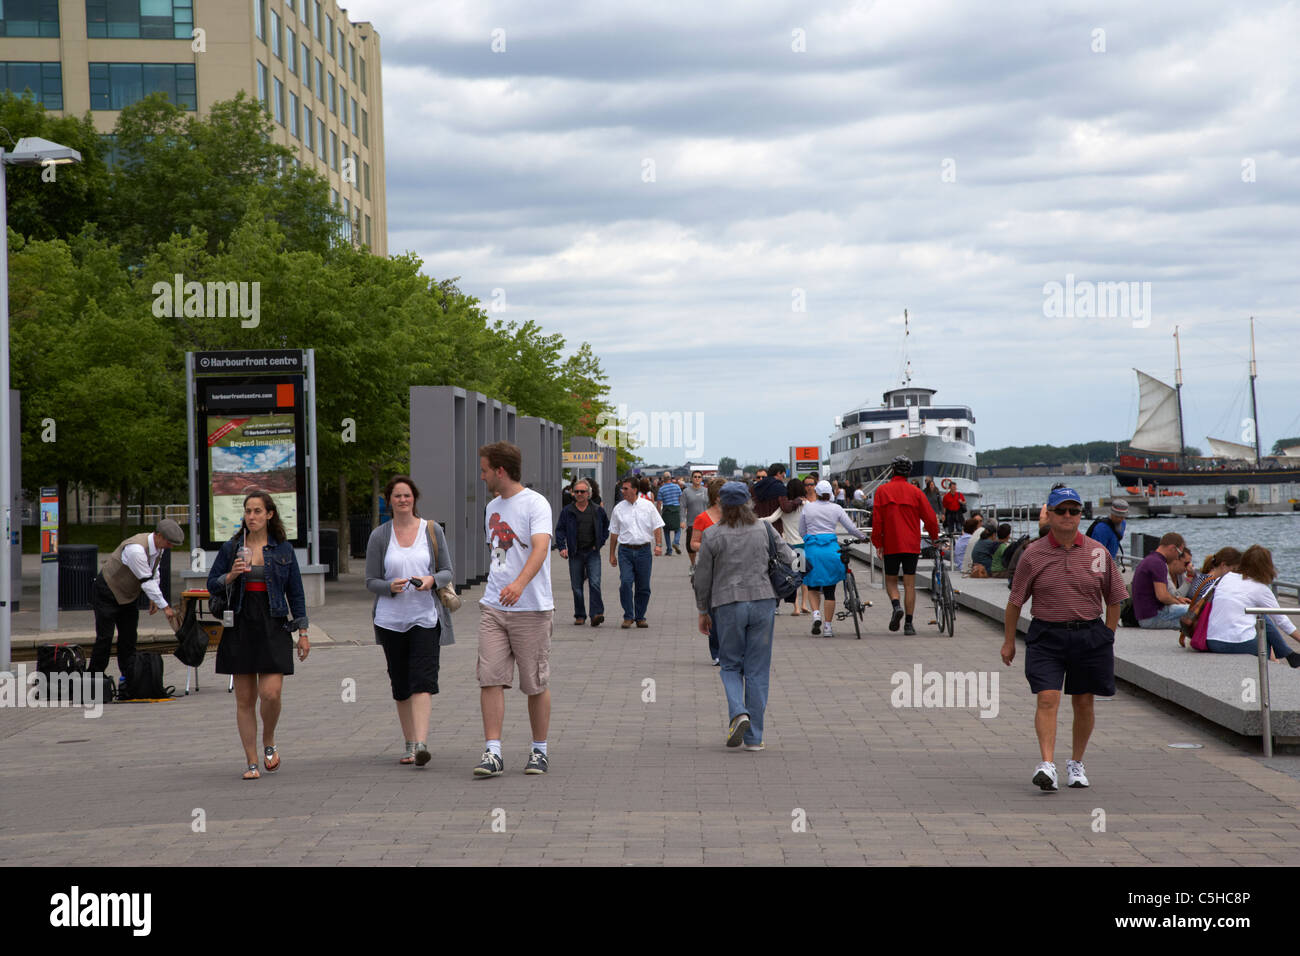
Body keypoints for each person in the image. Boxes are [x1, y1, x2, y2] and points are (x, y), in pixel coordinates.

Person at [1000, 486, 1127, 791]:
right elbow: (1016, 601)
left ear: (1081, 515)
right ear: (1050, 515)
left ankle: (1076, 763)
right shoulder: (1033, 554)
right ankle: (1047, 764)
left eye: (1074, 511)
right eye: (1061, 511)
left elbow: (1115, 597)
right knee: (1047, 698)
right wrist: (1008, 642)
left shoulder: (1098, 552)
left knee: (1083, 702)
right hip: (1047, 635)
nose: (1068, 516)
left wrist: (1107, 635)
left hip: (1089, 636)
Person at [207, 492, 309, 780]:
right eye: (248, 511)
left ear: (269, 515)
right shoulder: (231, 549)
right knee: (245, 699)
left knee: (271, 693)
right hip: (240, 624)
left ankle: (269, 739)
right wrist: (231, 575)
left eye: (257, 511)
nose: (251, 516)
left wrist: (303, 632)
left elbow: (296, 594)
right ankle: (252, 762)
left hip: (273, 623)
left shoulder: (283, 550)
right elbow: (211, 584)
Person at [694, 482, 797, 751]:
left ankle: (739, 712)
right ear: (748, 504)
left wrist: (703, 611)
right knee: (757, 669)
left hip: (727, 605)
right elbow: (790, 557)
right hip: (763, 602)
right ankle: (755, 738)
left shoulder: (712, 534)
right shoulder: (764, 529)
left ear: (722, 506)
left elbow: (702, 578)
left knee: (729, 665)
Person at [474, 441, 554, 777]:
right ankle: (493, 752)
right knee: (489, 678)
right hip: (493, 606)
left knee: (534, 683)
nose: (482, 476)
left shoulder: (536, 504)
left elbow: (540, 547)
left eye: (484, 470)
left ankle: (539, 750)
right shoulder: (492, 505)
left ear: (500, 470)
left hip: (531, 608)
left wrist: (519, 584)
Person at [365, 475, 456, 768]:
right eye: (397, 496)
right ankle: (408, 743)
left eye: (407, 496)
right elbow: (370, 580)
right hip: (391, 619)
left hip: (425, 617)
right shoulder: (380, 536)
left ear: (414, 499)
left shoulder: (431, 531)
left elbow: (447, 571)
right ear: (389, 501)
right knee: (401, 682)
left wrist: (430, 580)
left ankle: (421, 744)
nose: (403, 501)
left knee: (423, 680)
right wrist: (388, 586)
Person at [88, 519, 186, 684]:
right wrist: (165, 607)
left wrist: (154, 598)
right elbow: (146, 580)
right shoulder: (136, 549)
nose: (171, 547)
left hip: (128, 596)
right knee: (105, 637)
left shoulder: (158, 548)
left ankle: (129, 677)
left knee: (129, 637)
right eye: (169, 543)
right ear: (159, 536)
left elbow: (154, 572)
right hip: (107, 591)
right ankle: (93, 678)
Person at [870, 456, 941, 635]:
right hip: (911, 544)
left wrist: (878, 542)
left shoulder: (882, 491)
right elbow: (931, 519)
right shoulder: (916, 492)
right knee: (910, 584)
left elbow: (877, 520)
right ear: (909, 472)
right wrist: (934, 538)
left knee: (891, 581)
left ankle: (896, 606)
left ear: (893, 470)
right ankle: (909, 624)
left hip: (891, 543)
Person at [1205, 545, 1300, 665]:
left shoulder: (1227, 577)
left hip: (1213, 642)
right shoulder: (1260, 588)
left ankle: (1289, 655)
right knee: (1264, 640)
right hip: (1239, 644)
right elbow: (1282, 621)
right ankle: (1279, 663)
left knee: (1261, 616)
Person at [799, 479, 866, 637]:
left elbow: (802, 530)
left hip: (812, 550)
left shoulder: (807, 508)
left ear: (816, 492)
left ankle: (816, 614)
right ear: (830, 494)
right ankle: (828, 627)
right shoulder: (836, 508)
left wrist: (810, 539)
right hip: (831, 550)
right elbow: (851, 527)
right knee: (830, 590)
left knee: (812, 586)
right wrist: (862, 537)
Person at [608, 477, 665, 628]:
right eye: (622, 489)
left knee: (643, 586)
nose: (623, 491)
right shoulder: (618, 508)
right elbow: (614, 532)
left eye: (625, 488)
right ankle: (628, 615)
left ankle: (640, 616)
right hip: (625, 551)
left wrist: (658, 545)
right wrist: (611, 554)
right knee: (626, 582)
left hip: (644, 551)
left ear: (634, 489)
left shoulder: (648, 506)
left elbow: (657, 526)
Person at [555, 478, 609, 626]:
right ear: (573, 493)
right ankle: (580, 614)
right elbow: (559, 530)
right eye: (576, 491)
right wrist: (562, 547)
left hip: (592, 552)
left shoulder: (597, 510)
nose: (579, 494)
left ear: (588, 493)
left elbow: (606, 527)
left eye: (582, 491)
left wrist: (600, 542)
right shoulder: (567, 511)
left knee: (595, 583)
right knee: (576, 586)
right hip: (575, 553)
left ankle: (596, 614)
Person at [690, 477, 727, 663]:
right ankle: (717, 652)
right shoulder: (702, 518)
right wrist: (708, 546)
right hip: (709, 570)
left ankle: (731, 649)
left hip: (730, 568)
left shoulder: (733, 516)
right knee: (713, 612)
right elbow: (693, 543)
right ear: (716, 497)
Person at [761, 477, 808, 615]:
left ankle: (796, 607)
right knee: (804, 576)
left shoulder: (784, 507)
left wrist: (753, 520)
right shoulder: (807, 505)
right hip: (803, 544)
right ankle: (805, 603)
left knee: (793, 576)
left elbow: (770, 519)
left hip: (789, 546)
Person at [1179, 547, 1241, 648]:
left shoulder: (1202, 577)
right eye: (1234, 569)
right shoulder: (1215, 585)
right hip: (1206, 630)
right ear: (1223, 565)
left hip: (1196, 626)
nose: (1236, 574)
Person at [1132, 533, 1192, 629]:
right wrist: (1179, 603)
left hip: (1144, 615)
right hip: (1153, 617)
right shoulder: (1158, 563)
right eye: (1179, 553)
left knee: (1195, 613)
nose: (1177, 557)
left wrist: (1176, 599)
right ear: (1172, 548)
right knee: (1198, 611)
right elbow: (1162, 596)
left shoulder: (1150, 559)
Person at [682, 471, 709, 576]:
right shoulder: (686, 492)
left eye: (699, 477)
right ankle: (693, 564)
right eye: (695, 477)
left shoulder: (706, 491)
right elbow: (683, 507)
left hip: (706, 523)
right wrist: (682, 520)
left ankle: (704, 566)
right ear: (691, 479)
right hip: (692, 523)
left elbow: (712, 505)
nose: (697, 479)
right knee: (691, 546)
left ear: (702, 479)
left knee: (706, 545)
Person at [656, 471, 684, 556]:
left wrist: (658, 514)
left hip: (666, 510)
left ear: (663, 479)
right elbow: (681, 499)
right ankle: (675, 541)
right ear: (671, 478)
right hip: (676, 509)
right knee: (678, 529)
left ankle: (669, 550)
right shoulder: (677, 487)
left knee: (666, 530)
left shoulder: (661, 489)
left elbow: (659, 503)